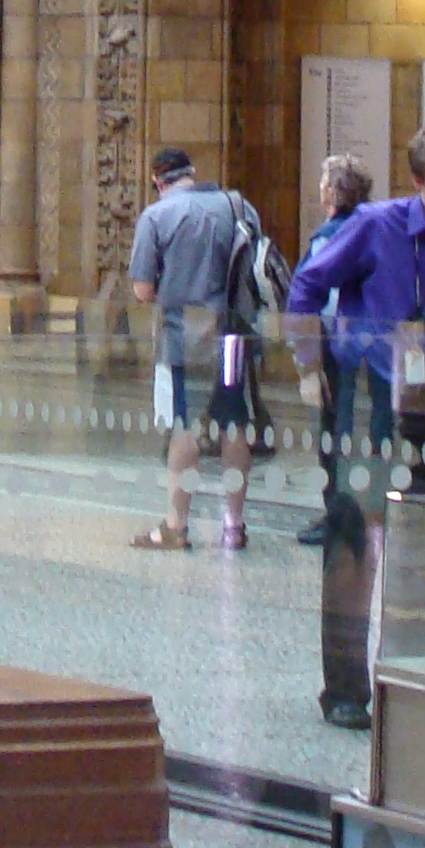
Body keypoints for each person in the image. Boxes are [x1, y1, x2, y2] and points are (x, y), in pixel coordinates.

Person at [287, 131, 425, 728]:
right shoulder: (376, 227)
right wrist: (309, 364)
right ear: (417, 182)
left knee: (422, 543)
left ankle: (411, 679)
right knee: (356, 536)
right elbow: (307, 282)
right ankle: (346, 689)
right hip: (370, 389)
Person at [127, 148, 260, 552]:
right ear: (194, 173)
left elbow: (142, 289)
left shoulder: (156, 216)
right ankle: (233, 525)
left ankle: (176, 525)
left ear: (157, 180)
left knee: (185, 427)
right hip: (235, 334)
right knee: (234, 424)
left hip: (185, 335)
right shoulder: (238, 205)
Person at [287, 147, 398, 550]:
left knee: (336, 431)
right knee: (377, 429)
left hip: (341, 346)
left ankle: (339, 513)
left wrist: (307, 364)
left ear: (331, 194)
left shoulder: (329, 238)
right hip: (383, 348)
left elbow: (311, 298)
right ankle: (376, 510)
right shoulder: (382, 230)